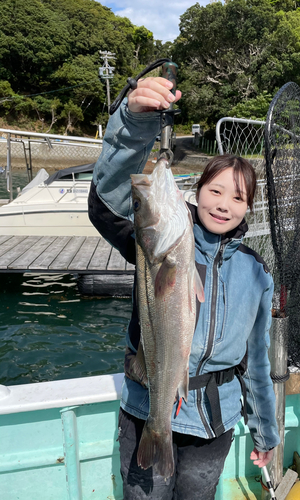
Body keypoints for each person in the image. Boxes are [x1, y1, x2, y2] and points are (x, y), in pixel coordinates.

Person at [88, 77, 280, 500]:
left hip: (213, 424)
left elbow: (258, 363)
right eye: (215, 190)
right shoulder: (151, 245)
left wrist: (265, 430)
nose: (224, 203)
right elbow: (107, 202)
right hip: (148, 409)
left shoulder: (255, 273)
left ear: (249, 207)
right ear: (196, 192)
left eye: (238, 197)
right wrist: (134, 122)